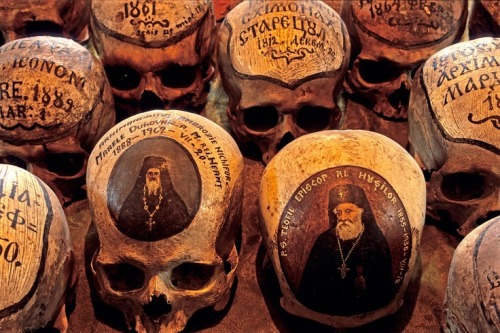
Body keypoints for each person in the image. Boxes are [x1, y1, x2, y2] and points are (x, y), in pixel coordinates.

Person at [298, 184, 393, 315]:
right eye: (339, 213)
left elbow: (383, 289)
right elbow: (309, 287)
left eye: (348, 211)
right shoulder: (324, 240)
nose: (342, 218)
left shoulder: (375, 242)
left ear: (361, 212)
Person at [116, 155, 191, 241]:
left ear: (161, 176)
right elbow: (125, 224)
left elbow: (181, 225)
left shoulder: (173, 199)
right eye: (150, 173)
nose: (153, 177)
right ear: (145, 175)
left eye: (156, 173)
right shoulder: (134, 198)